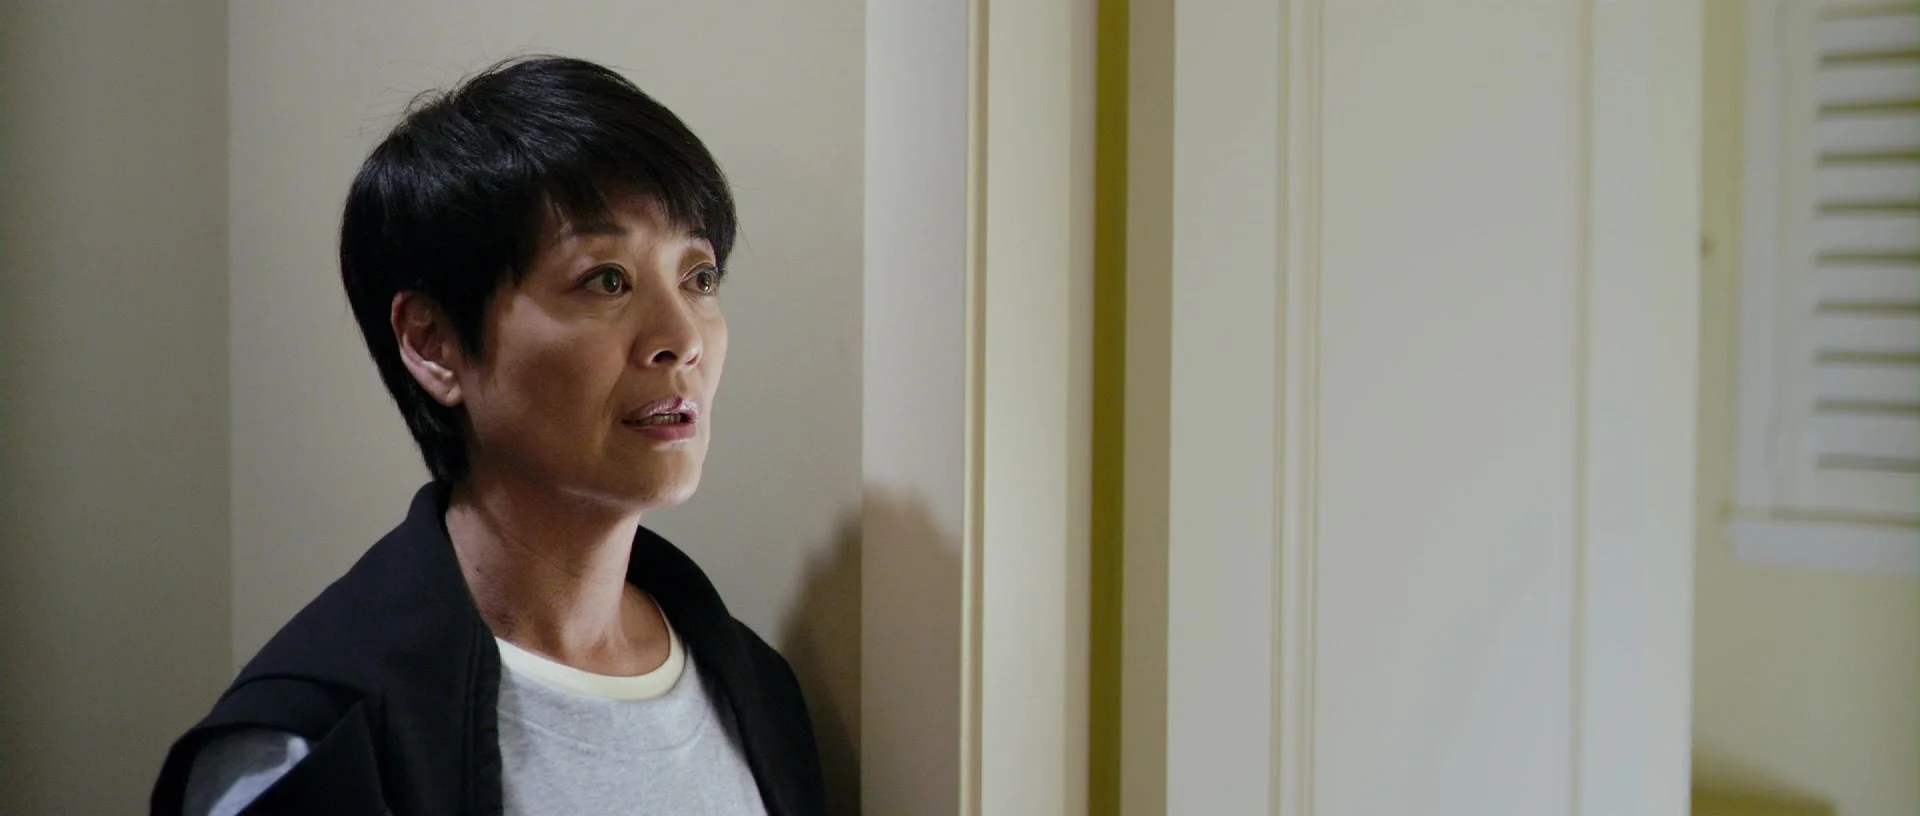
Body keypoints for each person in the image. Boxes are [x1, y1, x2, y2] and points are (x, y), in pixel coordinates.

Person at [150, 55, 824, 816]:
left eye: (698, 277)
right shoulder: (315, 744)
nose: (682, 338)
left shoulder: (755, 690)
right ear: (433, 343)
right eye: (606, 279)